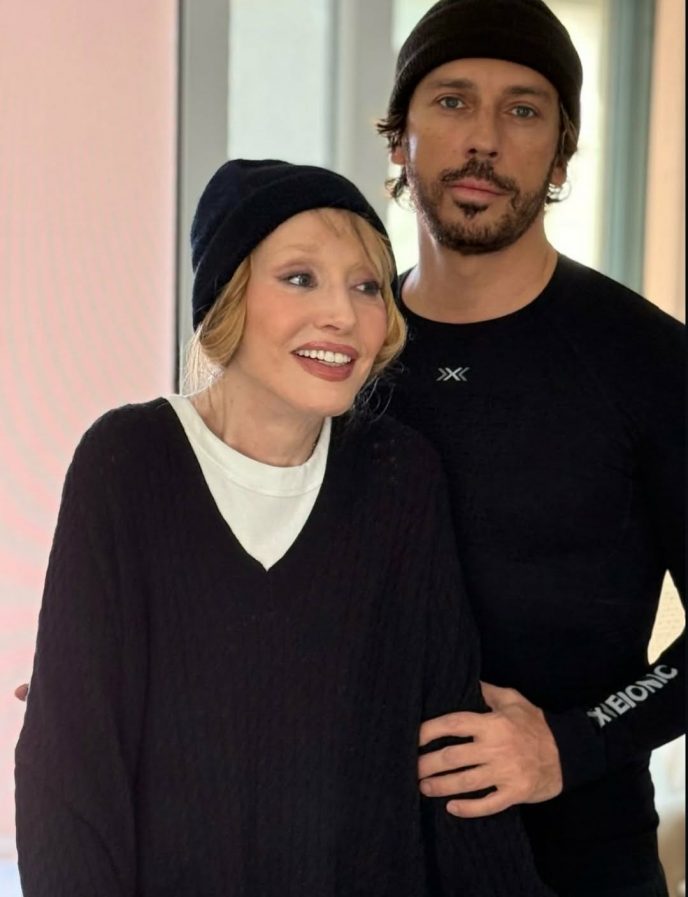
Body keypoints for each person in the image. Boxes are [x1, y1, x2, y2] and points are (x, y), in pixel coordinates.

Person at [15, 159, 554, 896]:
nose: (343, 315)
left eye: (367, 286)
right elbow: (69, 772)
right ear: (228, 294)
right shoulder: (127, 462)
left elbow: (447, 747)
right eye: (300, 278)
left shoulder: (400, 475)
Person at [375, 1, 685, 896]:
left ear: (560, 154)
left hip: (580, 868)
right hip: (359, 853)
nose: (483, 139)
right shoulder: (342, 356)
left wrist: (570, 742)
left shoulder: (648, 360)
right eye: (452, 101)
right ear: (399, 137)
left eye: (522, 110)